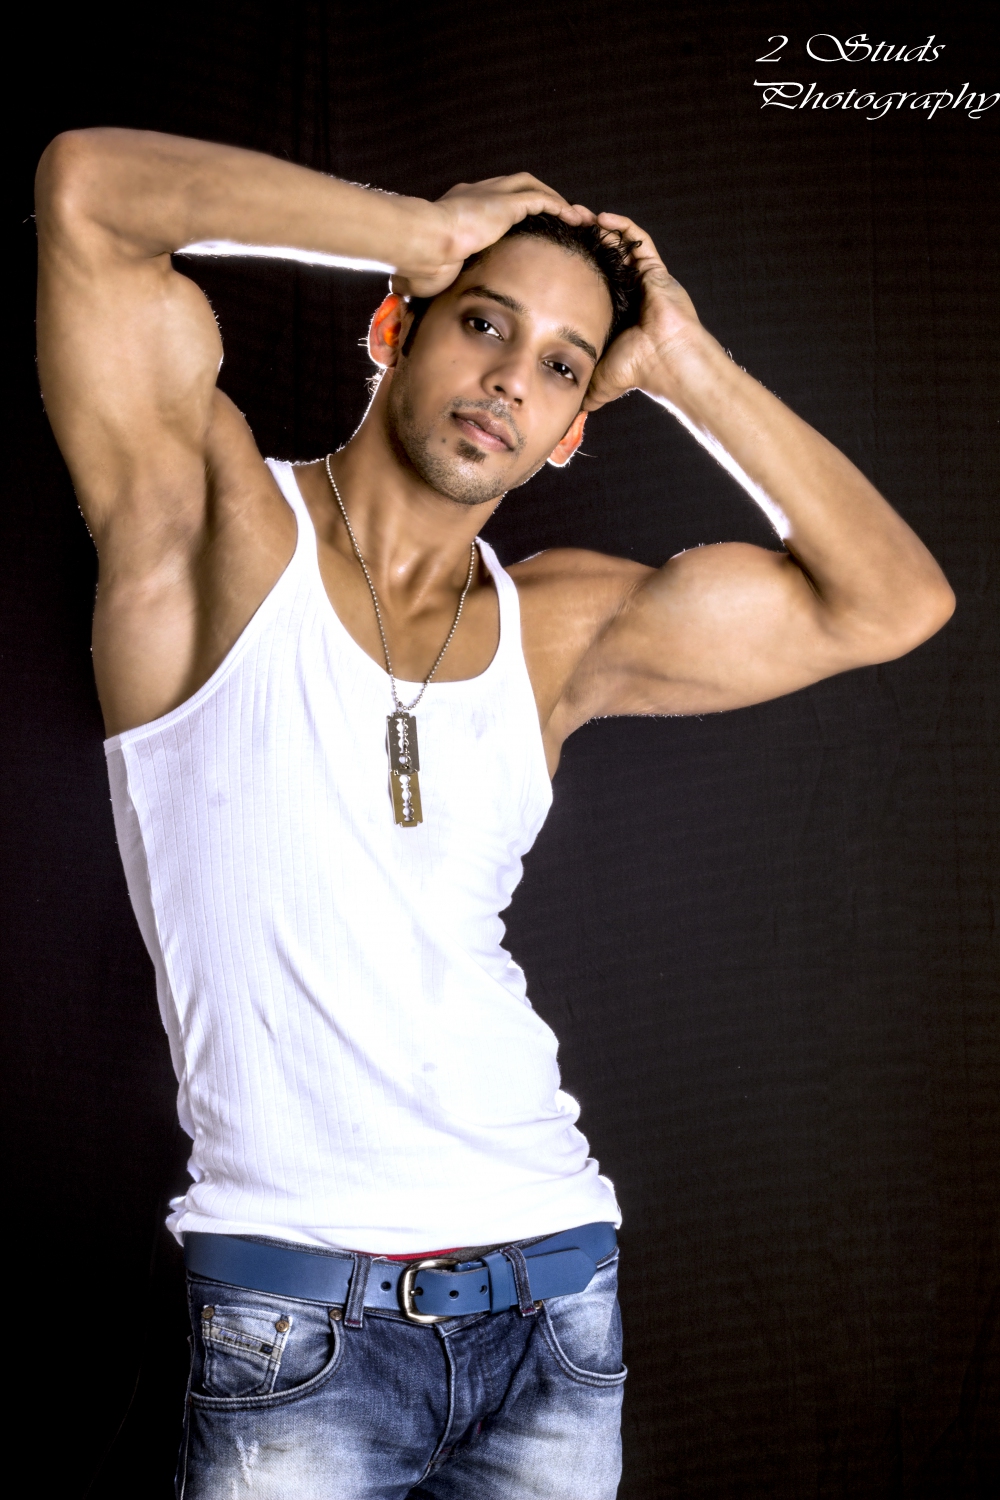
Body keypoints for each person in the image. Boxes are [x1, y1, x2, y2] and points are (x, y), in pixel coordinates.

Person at [34, 128, 954, 1500]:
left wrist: (687, 365)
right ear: (394, 327)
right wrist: (420, 231)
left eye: (563, 367)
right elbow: (88, 195)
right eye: (483, 324)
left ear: (573, 429)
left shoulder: (560, 632)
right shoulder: (206, 519)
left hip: (554, 1299)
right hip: (297, 1310)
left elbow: (894, 601)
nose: (511, 381)